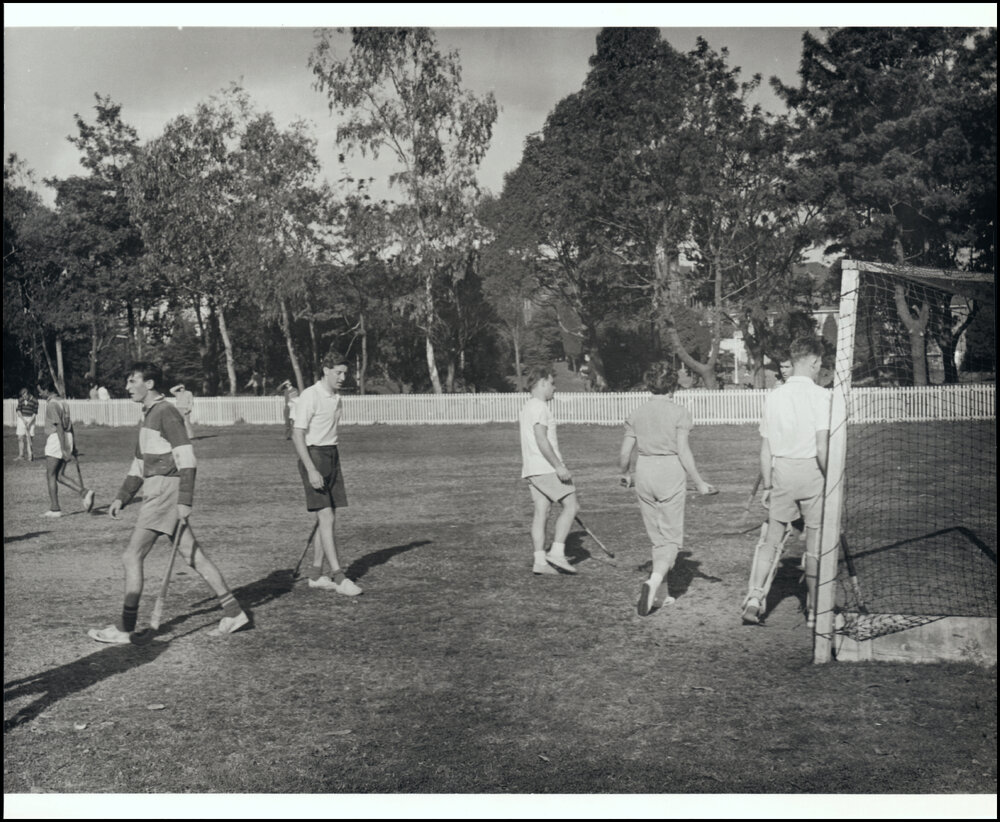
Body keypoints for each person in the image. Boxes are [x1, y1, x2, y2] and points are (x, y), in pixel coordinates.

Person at [87, 361, 249, 643]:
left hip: (165, 491)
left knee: (131, 556)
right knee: (192, 554)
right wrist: (122, 497)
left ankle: (125, 628)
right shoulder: (149, 414)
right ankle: (234, 612)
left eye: (131, 381)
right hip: (158, 488)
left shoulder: (166, 412)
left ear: (149, 384)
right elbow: (140, 463)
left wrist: (185, 500)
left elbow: (187, 457)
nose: (127, 388)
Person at [741, 335, 830, 627]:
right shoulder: (822, 396)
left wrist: (768, 485)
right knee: (815, 544)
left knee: (771, 541)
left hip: (781, 473)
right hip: (812, 474)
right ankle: (816, 611)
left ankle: (754, 598)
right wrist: (832, 482)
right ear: (815, 362)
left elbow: (765, 450)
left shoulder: (774, 395)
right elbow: (821, 448)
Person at [618, 362, 717, 616]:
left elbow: (624, 452)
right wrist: (699, 481)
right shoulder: (679, 412)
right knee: (672, 539)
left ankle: (660, 595)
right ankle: (653, 582)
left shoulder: (637, 412)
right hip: (669, 472)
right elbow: (683, 451)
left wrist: (625, 473)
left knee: (657, 538)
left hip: (644, 472)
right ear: (672, 386)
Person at [291, 352, 363, 596]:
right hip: (314, 456)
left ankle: (315, 574)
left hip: (332, 454)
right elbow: (297, 434)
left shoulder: (336, 398)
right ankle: (339, 577)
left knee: (329, 517)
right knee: (326, 517)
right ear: (325, 370)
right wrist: (311, 469)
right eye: (338, 373)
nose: (343, 377)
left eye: (345, 373)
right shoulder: (310, 396)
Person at [519, 364, 579, 575]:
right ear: (542, 382)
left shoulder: (528, 406)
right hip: (545, 468)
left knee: (542, 512)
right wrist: (558, 466)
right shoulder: (539, 407)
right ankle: (557, 553)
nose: (554, 388)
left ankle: (540, 562)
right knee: (571, 506)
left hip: (532, 469)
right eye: (552, 384)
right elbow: (541, 440)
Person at [36, 380, 95, 517]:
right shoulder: (63, 402)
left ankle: (55, 509)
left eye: (40, 390)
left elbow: (59, 427)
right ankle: (85, 492)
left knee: (50, 475)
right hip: (67, 437)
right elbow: (70, 426)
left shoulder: (52, 405)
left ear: (46, 389)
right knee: (59, 475)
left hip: (57, 438)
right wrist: (72, 445)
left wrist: (63, 448)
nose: (39, 393)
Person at [15, 387, 39, 462]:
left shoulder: (35, 401)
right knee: (20, 437)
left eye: (25, 396)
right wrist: (23, 420)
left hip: (31, 419)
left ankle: (30, 456)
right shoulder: (21, 399)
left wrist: (29, 422)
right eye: (22, 396)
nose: (24, 397)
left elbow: (35, 413)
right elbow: (18, 411)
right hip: (22, 419)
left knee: (29, 438)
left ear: (28, 394)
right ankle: (21, 456)